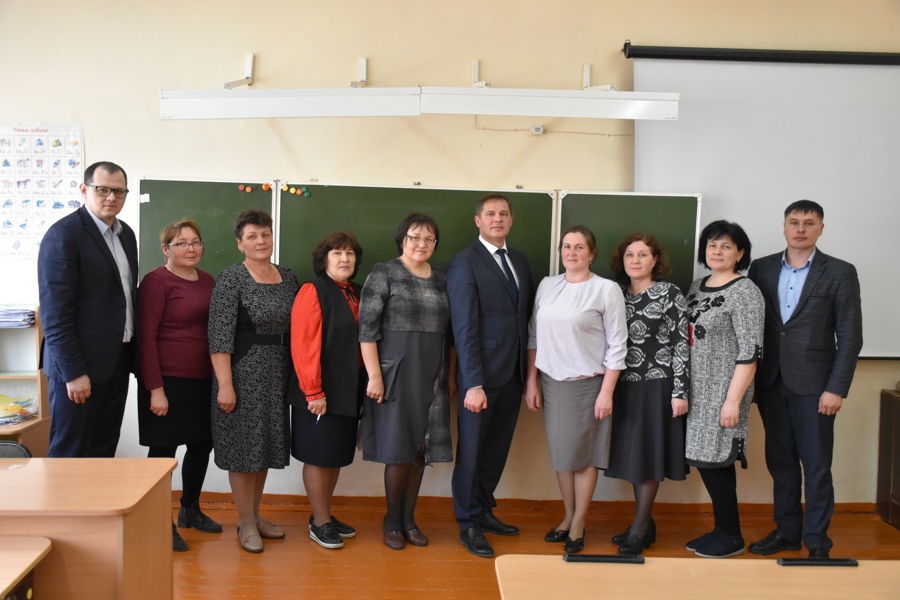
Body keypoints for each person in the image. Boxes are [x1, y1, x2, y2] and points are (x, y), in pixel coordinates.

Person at [747, 200, 862, 559]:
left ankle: (817, 542)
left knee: (816, 466)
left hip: (816, 387)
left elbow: (850, 336)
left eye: (809, 223)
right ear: (784, 226)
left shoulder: (840, 271)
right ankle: (787, 533)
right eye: (794, 222)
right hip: (771, 383)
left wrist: (836, 388)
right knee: (781, 464)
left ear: (821, 228)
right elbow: (753, 326)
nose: (800, 229)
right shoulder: (761, 268)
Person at [525, 225, 627, 554]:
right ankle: (568, 516)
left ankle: (580, 521)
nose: (572, 252)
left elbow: (618, 346)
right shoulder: (548, 285)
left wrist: (606, 393)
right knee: (562, 456)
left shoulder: (606, 289)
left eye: (579, 247)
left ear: (591, 253)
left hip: (588, 385)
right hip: (552, 384)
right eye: (567, 246)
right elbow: (534, 335)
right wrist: (531, 380)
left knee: (583, 457)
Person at [358, 213, 452, 551]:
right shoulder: (384, 272)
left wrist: (451, 377)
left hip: (433, 372)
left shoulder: (441, 278)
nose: (421, 244)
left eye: (428, 239)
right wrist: (374, 376)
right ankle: (392, 521)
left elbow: (451, 334)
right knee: (399, 451)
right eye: (414, 237)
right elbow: (366, 330)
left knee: (419, 450)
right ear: (402, 239)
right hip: (395, 373)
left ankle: (409, 520)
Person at [208, 209, 299, 554]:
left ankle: (255, 516)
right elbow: (219, 336)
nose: (260, 241)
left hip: (277, 375)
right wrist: (225, 385)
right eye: (252, 236)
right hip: (242, 375)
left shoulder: (288, 277)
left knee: (263, 448)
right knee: (244, 451)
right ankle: (245, 522)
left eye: (265, 234)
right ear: (240, 243)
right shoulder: (231, 278)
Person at [448, 193, 534, 559]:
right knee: (471, 452)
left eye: (503, 213)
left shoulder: (520, 260)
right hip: (480, 379)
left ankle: (483, 509)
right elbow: (464, 328)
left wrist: (529, 376)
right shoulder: (464, 262)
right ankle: (467, 522)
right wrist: (472, 383)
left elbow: (523, 319)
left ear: (511, 220)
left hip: (512, 375)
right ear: (478, 221)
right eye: (490, 214)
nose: (497, 218)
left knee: (496, 450)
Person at [38, 161, 138, 458]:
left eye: (119, 191)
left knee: (104, 451)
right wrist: (74, 373)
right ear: (84, 190)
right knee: (70, 453)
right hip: (78, 368)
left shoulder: (126, 234)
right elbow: (55, 315)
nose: (111, 197)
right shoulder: (64, 235)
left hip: (116, 362)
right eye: (103, 190)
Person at [138, 220, 221, 552]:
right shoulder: (156, 282)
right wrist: (155, 389)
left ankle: (190, 509)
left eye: (196, 242)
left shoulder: (208, 281)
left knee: (201, 446)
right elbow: (146, 339)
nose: (191, 248)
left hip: (203, 380)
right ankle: (159, 521)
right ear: (166, 249)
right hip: (167, 382)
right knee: (163, 453)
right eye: (182, 243)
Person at [604, 232, 690, 556]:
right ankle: (645, 522)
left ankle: (640, 527)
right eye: (630, 255)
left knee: (648, 456)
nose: (635, 260)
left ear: (655, 260)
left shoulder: (669, 293)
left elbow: (681, 343)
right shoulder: (614, 294)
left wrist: (680, 391)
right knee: (634, 456)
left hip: (658, 386)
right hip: (623, 385)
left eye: (642, 255)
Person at [683, 220, 764, 558]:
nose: (717, 251)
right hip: (696, 392)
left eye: (726, 246)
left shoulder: (745, 291)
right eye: (712, 245)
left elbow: (751, 351)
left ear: (740, 253)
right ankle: (721, 529)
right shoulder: (696, 286)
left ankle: (732, 535)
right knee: (706, 460)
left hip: (724, 392)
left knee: (718, 460)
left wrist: (732, 401)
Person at [288, 232, 366, 550]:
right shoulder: (312, 291)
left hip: (349, 389)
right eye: (337, 253)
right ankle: (319, 522)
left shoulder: (357, 292)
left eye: (350, 253)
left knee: (334, 455)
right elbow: (303, 344)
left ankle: (324, 515)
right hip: (319, 391)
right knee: (319, 456)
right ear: (324, 260)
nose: (345, 258)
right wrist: (313, 391)